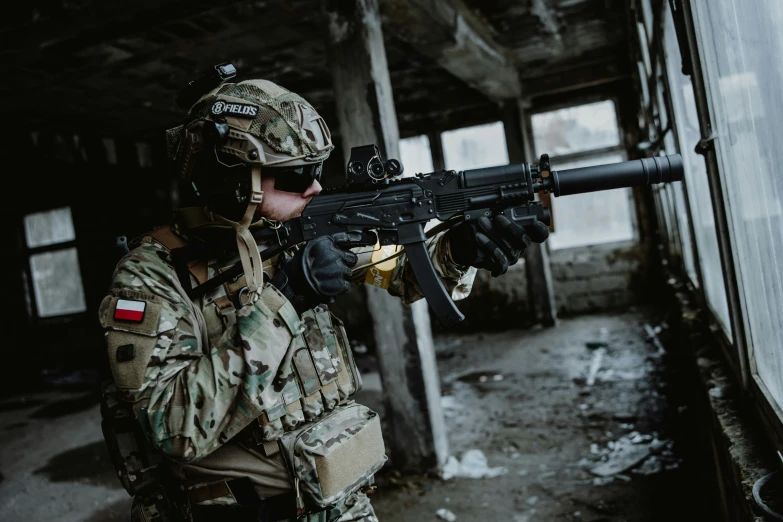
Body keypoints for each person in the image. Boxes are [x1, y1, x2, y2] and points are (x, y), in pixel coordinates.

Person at [98, 73, 549, 522]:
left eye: (316, 170)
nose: (315, 187)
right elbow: (173, 426)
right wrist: (287, 298)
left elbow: (406, 271)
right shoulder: (150, 277)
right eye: (296, 176)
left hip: (339, 503)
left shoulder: (294, 231)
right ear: (233, 180)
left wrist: (461, 249)